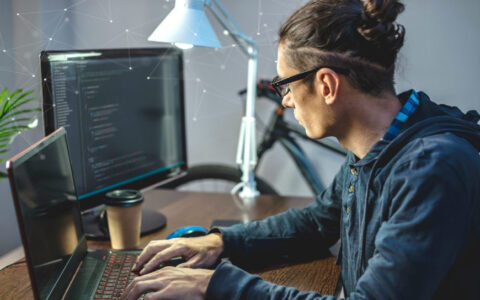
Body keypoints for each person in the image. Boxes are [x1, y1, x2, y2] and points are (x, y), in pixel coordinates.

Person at [121, 0, 480, 299]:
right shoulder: (376, 148)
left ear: (326, 85)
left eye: (285, 84)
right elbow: (315, 224)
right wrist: (219, 242)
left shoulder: (430, 168)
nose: (287, 101)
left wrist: (216, 285)